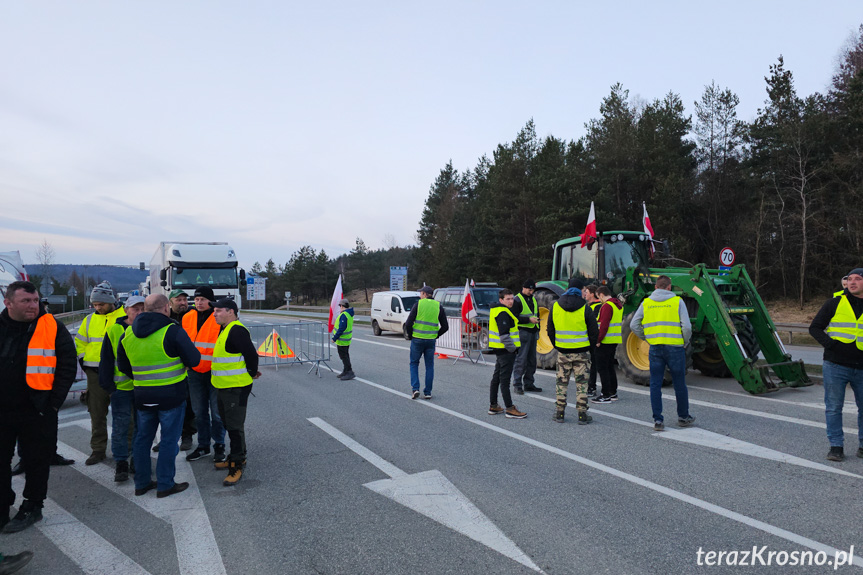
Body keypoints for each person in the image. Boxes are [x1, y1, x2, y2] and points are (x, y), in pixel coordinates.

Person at [1, 281, 76, 533]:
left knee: (36, 461)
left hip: (38, 409)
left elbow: (67, 365)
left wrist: (54, 404)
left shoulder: (52, 326)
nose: (34, 306)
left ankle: (33, 506)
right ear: (8, 303)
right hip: (3, 409)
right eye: (26, 301)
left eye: (36, 301)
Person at [117, 294, 200, 498]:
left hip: (143, 395)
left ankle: (142, 483)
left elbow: (123, 366)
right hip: (171, 395)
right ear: (166, 308)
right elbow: (194, 359)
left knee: (142, 439)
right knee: (169, 441)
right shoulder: (172, 330)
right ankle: (164, 485)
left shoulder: (128, 334)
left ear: (145, 309)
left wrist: (143, 379)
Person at [809, 267, 863, 462]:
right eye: (850, 279)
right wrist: (831, 345)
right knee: (833, 408)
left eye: (858, 279)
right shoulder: (834, 303)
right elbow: (814, 328)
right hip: (835, 365)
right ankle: (836, 447)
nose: (852, 282)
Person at [630, 275, 694, 431]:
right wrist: (684, 342)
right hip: (675, 348)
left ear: (656, 287)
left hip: (655, 348)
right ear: (669, 287)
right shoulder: (677, 302)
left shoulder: (647, 303)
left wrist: (647, 338)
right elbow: (686, 327)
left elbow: (633, 324)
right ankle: (683, 417)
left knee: (655, 384)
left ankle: (658, 420)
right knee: (679, 383)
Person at [209, 299, 261, 486]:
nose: (214, 314)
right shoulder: (225, 329)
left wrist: (251, 372)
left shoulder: (236, 330)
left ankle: (236, 465)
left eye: (218, 310)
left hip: (235, 387)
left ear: (230, 311)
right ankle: (238, 456)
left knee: (234, 427)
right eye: (214, 310)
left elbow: (251, 354)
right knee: (230, 423)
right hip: (224, 386)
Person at [75, 281, 125, 465]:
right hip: (95, 373)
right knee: (97, 413)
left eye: (101, 304)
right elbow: (80, 343)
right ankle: (98, 450)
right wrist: (83, 360)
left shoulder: (125, 316)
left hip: (120, 373)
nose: (98, 307)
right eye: (95, 304)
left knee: (124, 413)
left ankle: (126, 448)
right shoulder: (89, 320)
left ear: (111, 301)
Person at [98, 295, 145, 482]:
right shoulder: (114, 330)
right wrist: (109, 387)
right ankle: (121, 463)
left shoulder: (148, 328)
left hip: (144, 387)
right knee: (120, 427)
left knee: (142, 428)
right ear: (126, 310)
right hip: (121, 389)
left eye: (143, 309)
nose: (140, 312)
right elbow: (106, 360)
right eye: (136, 309)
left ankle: (137, 460)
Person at [181, 287, 226, 463]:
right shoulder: (187, 317)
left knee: (216, 413)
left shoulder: (218, 317)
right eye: (197, 299)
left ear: (211, 300)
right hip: (194, 372)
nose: (199, 302)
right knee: (199, 412)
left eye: (203, 299)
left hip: (214, 372)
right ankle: (203, 446)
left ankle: (219, 445)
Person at [547, 278, 598, 424]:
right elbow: (594, 331)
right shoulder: (585, 307)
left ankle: (559, 413)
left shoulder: (556, 306)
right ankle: (582, 415)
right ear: (580, 289)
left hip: (563, 351)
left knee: (561, 383)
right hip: (582, 352)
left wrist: (557, 345)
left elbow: (550, 329)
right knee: (582, 384)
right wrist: (589, 347)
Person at [487, 289, 527, 419]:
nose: (511, 301)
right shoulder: (503, 313)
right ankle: (510, 408)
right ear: (501, 300)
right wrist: (513, 349)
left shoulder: (497, 310)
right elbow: (504, 336)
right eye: (508, 299)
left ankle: (494, 406)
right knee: (504, 380)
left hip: (500, 349)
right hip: (505, 350)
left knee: (497, 378)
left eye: (512, 298)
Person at [404, 286, 448, 399]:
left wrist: (410, 335)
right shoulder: (438, 306)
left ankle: (415, 389)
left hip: (417, 339)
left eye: (420, 293)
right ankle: (428, 392)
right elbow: (445, 326)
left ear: (424, 294)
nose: (420, 295)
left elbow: (408, 323)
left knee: (414, 364)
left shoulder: (418, 304)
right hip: (430, 340)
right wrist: (436, 335)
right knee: (429, 366)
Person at [168, 289, 196, 452]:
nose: (183, 303)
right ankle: (167, 438)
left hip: (190, 368)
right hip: (170, 368)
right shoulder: (165, 318)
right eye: (178, 300)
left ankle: (187, 436)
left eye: (185, 300)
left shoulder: (192, 315)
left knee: (188, 405)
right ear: (170, 302)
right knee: (168, 406)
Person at [591, 286, 623, 403]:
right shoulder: (617, 305)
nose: (599, 300)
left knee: (602, 368)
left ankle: (605, 395)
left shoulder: (607, 306)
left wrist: (598, 340)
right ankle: (612, 392)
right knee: (609, 367)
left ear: (601, 294)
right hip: (614, 340)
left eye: (599, 297)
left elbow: (604, 325)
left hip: (605, 341)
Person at [511, 280, 542, 395]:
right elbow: (514, 317)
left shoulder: (533, 298)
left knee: (531, 360)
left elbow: (536, 313)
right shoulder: (517, 300)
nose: (531, 291)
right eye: (529, 289)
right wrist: (528, 320)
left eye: (532, 289)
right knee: (521, 359)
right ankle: (517, 384)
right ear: (523, 288)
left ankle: (529, 383)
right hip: (523, 332)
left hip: (533, 331)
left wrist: (537, 324)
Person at [583, 285, 602, 398]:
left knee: (592, 365)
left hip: (593, 340)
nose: (585, 293)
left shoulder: (596, 307)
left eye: (587, 292)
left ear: (593, 294)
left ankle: (591, 387)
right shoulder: (590, 306)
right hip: (591, 339)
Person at [332, 299, 355, 380]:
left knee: (343, 356)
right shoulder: (349, 314)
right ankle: (345, 370)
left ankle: (349, 371)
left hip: (342, 340)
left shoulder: (344, 315)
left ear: (342, 306)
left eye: (340, 306)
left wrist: (334, 338)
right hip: (346, 340)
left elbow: (341, 328)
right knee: (345, 355)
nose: (339, 308)